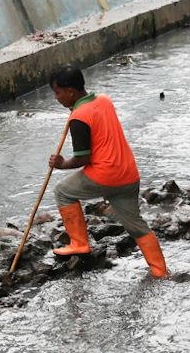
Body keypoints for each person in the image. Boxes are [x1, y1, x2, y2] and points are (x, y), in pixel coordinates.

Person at [47, 66, 167, 277]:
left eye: (58, 93)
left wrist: (61, 163)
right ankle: (160, 271)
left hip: (104, 175)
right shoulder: (104, 100)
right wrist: (73, 109)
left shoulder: (79, 118)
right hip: (128, 174)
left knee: (62, 191)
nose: (56, 98)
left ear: (71, 92)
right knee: (136, 226)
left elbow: (82, 158)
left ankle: (79, 243)